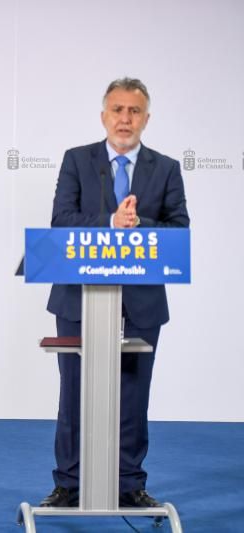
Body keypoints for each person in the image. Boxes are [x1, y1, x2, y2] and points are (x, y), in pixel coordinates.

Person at [41, 77, 190, 508]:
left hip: (141, 302)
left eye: (134, 111)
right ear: (104, 114)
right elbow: (61, 220)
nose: (125, 119)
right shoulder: (77, 160)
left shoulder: (165, 169)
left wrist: (139, 225)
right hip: (78, 298)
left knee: (133, 394)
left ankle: (130, 485)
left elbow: (179, 232)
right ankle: (68, 485)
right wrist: (110, 223)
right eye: (118, 110)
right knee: (74, 393)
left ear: (146, 118)